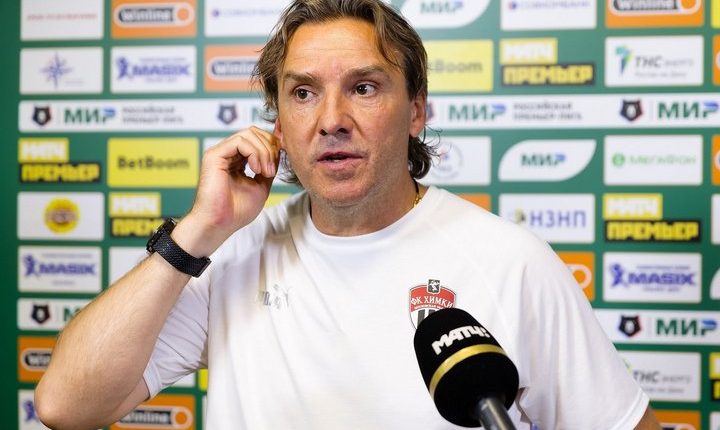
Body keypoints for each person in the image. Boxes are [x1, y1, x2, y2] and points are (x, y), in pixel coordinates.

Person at [35, 0, 661, 429]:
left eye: (363, 87)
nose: (331, 119)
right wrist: (198, 231)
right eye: (303, 92)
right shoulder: (226, 256)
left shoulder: (512, 262)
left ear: (416, 111)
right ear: (279, 124)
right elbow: (66, 406)